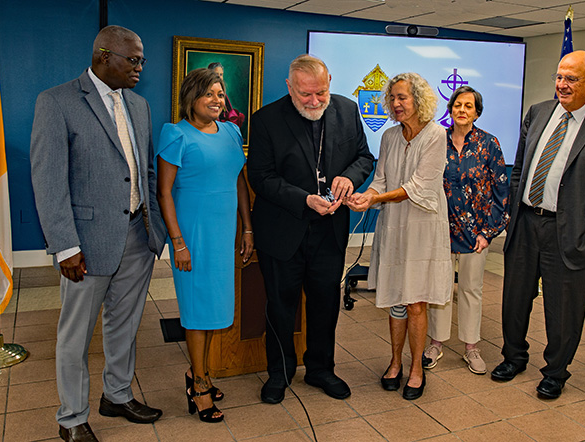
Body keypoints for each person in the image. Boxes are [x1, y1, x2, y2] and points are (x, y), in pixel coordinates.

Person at [30, 25, 166, 442]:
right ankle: (71, 417)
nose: (140, 67)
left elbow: (143, 171)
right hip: (85, 243)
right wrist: (65, 245)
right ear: (103, 56)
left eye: (142, 60)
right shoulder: (57, 102)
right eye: (134, 60)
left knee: (124, 325)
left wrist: (154, 228)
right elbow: (48, 180)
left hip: (136, 235)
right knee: (75, 335)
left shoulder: (139, 106)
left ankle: (118, 395)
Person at [492, 50, 585, 399]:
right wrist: (513, 211)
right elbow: (520, 169)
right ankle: (513, 356)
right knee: (514, 298)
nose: (562, 85)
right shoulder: (538, 112)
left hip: (573, 234)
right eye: (559, 77)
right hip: (526, 223)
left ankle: (555, 371)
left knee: (564, 308)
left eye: (571, 79)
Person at [246, 54, 373, 404]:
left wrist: (350, 177)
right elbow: (261, 177)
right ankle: (280, 372)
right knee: (280, 306)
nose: (314, 101)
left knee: (325, 303)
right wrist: (303, 199)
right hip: (283, 230)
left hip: (330, 231)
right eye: (305, 95)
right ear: (290, 87)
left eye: (320, 92)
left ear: (329, 81)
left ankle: (320, 369)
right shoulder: (267, 119)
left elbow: (364, 157)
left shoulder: (347, 111)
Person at [347, 72, 453, 401]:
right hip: (394, 224)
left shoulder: (437, 134)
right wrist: (366, 195)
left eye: (402, 97)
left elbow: (420, 187)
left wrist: (376, 199)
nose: (395, 104)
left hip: (424, 225)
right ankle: (394, 363)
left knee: (416, 301)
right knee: (396, 297)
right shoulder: (390, 136)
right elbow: (381, 179)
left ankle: (416, 369)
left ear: (418, 100)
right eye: (392, 98)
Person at [156, 68, 253, 423]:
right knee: (197, 313)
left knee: (215, 310)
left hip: (223, 231)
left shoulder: (231, 131)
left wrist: (247, 229)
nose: (217, 100)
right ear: (191, 98)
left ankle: (201, 371)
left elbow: (238, 181)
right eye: (209, 94)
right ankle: (199, 386)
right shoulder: (175, 134)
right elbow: (164, 192)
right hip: (193, 234)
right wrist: (177, 242)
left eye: (220, 93)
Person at [422, 86, 510, 375]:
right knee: (440, 289)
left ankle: (471, 347)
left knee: (471, 289)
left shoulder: (489, 143)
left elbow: (501, 191)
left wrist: (488, 233)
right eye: (458, 105)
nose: (462, 110)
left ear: (477, 112)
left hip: (477, 233)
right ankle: (436, 343)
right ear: (451, 109)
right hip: (441, 230)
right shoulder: (437, 140)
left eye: (468, 106)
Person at [207, 62, 245, 127]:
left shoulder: (223, 92)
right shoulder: (204, 91)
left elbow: (229, 111)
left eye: (221, 74)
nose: (219, 77)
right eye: (216, 74)